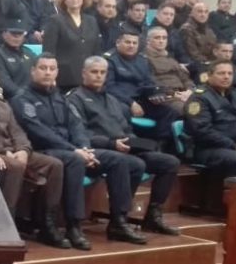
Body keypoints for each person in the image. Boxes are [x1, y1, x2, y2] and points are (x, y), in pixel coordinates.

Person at [12, 54, 144, 250]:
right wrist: (75, 150)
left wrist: (84, 148)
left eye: (52, 68)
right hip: (44, 151)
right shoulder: (22, 98)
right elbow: (38, 132)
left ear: (57, 72)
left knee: (119, 160)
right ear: (33, 71)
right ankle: (74, 225)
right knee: (74, 160)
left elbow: (76, 125)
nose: (48, 72)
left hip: (72, 149)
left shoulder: (60, 97)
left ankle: (119, 221)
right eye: (43, 68)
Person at [68, 57, 181, 236]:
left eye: (102, 72)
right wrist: (111, 144)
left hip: (123, 147)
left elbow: (126, 129)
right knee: (133, 164)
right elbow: (80, 134)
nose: (98, 76)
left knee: (169, 162)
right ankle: (119, 219)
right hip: (99, 149)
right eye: (94, 72)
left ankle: (153, 216)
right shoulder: (75, 99)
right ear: (84, 73)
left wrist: (134, 143)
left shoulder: (113, 100)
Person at [0, 63, 67, 246]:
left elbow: (17, 132)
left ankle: (47, 225)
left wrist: (23, 150)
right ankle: (6, 225)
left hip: (14, 152)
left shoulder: (2, 105)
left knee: (54, 165)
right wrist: (5, 152)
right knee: (15, 167)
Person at [183, 60, 236, 190]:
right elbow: (203, 131)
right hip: (207, 148)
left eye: (229, 73)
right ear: (209, 75)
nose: (226, 77)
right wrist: (235, 146)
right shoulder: (199, 98)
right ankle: (231, 200)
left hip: (234, 146)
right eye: (221, 73)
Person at [105, 30, 179, 142]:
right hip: (120, 100)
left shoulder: (142, 60)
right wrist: (131, 103)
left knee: (169, 111)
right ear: (118, 43)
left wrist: (154, 94)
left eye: (134, 43)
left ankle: (160, 144)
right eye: (127, 42)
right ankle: (129, 143)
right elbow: (109, 87)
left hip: (141, 98)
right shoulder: (110, 60)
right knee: (124, 110)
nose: (131, 46)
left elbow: (148, 83)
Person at [42, 0, 101, 91]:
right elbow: (49, 51)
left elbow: (96, 50)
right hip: (64, 79)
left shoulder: (91, 21)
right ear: (64, 0)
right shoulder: (55, 20)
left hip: (88, 78)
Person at [143, 26, 193, 114]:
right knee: (192, 111)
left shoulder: (170, 59)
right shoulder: (145, 59)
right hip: (166, 97)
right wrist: (175, 94)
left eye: (164, 38)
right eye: (157, 38)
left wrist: (190, 90)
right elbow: (152, 83)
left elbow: (185, 78)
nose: (161, 41)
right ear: (148, 40)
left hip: (184, 94)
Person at [0, 20, 38, 100]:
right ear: (4, 35)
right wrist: (22, 95)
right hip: (11, 98)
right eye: (13, 34)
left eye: (20, 34)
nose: (16, 37)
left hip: (33, 96)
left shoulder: (29, 53)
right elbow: (3, 81)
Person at [182, 1, 219, 69]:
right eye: (200, 11)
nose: (203, 14)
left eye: (206, 12)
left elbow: (215, 49)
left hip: (209, 63)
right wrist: (208, 62)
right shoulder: (186, 29)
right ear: (192, 13)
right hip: (195, 65)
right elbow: (193, 53)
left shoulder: (209, 30)